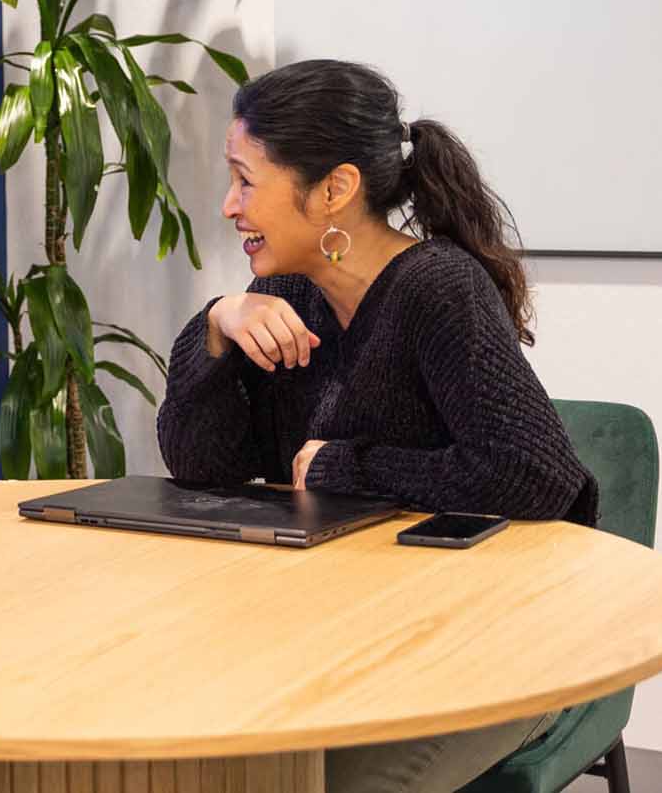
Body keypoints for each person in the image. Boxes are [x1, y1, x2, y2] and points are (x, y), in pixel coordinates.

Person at [156, 59, 596, 793]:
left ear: (334, 190)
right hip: (350, 640)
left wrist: (340, 466)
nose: (230, 205)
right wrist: (216, 327)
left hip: (490, 652)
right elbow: (202, 466)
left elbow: (536, 473)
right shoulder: (285, 293)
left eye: (246, 180)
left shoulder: (437, 287)